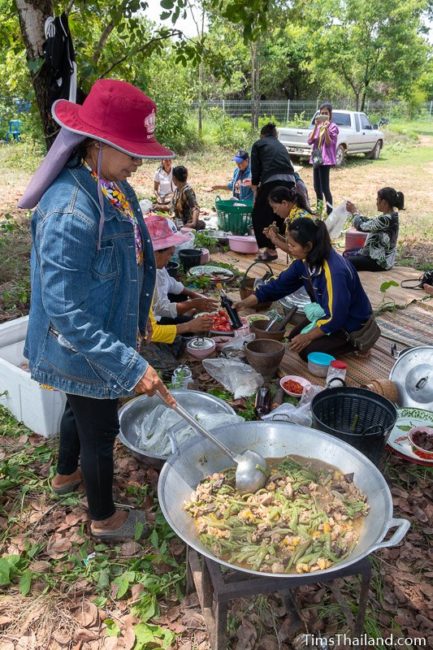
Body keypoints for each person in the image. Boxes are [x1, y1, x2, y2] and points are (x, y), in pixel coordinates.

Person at [19, 79, 177, 543]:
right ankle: (104, 518)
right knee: (100, 428)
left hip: (101, 333)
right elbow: (64, 309)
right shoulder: (71, 208)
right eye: (131, 152)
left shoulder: (110, 186)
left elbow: (133, 256)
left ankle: (66, 475)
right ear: (99, 143)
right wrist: (128, 364)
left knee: (78, 407)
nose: (138, 162)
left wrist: (138, 317)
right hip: (82, 342)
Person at [235, 218, 375, 360]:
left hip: (350, 322)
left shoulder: (334, 273)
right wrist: (244, 303)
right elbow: (278, 285)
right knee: (294, 337)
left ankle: (356, 343)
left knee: (306, 352)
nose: (289, 248)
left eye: (292, 245)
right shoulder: (305, 261)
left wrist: (308, 337)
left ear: (308, 246)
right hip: (329, 314)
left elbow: (337, 317)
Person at [146, 215, 218, 324]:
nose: (170, 258)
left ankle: (187, 312)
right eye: (169, 254)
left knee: (182, 295)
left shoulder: (157, 266)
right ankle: (186, 315)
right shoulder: (146, 276)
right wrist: (192, 304)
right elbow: (161, 309)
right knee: (194, 324)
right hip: (152, 322)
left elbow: (170, 283)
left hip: (160, 308)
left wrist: (193, 294)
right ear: (156, 253)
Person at [250, 123, 296, 262]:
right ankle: (289, 243)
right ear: (275, 135)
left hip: (271, 179)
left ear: (262, 135)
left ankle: (271, 250)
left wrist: (255, 187)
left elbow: (256, 168)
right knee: (281, 212)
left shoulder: (259, 144)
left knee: (259, 214)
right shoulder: (280, 145)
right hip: (290, 180)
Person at [345, 187, 404, 272]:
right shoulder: (390, 216)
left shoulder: (386, 219)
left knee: (345, 261)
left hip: (379, 262)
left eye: (377, 200)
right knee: (347, 254)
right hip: (376, 256)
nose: (376, 203)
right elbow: (370, 222)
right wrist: (356, 213)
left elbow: (361, 226)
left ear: (384, 202)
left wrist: (354, 212)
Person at [263, 185, 314, 255]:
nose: (274, 211)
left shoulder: (298, 218)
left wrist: (274, 239)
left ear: (284, 203)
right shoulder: (293, 215)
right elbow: (291, 243)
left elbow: (295, 249)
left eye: (275, 207)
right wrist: (276, 235)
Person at [307, 102, 339, 216]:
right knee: (317, 187)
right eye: (322, 113)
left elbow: (330, 143)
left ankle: (330, 212)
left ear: (330, 114)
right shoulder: (318, 126)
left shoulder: (333, 127)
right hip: (316, 158)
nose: (324, 115)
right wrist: (316, 126)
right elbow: (310, 141)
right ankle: (320, 210)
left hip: (326, 160)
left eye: (326, 113)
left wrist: (325, 129)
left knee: (325, 188)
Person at [172, 165, 205, 230]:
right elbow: (172, 206)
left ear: (174, 178)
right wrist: (158, 206)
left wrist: (193, 223)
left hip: (186, 225)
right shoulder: (178, 190)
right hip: (179, 224)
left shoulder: (187, 191)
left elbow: (195, 208)